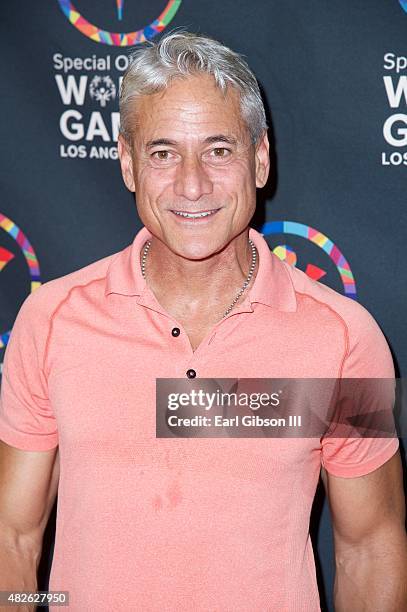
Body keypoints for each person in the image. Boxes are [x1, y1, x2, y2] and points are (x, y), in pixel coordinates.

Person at [0, 31, 406, 612]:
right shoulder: (52, 320)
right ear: (127, 164)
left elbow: (369, 548)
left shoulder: (344, 338)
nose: (192, 185)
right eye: (163, 153)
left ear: (260, 159)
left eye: (219, 150)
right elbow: (11, 538)